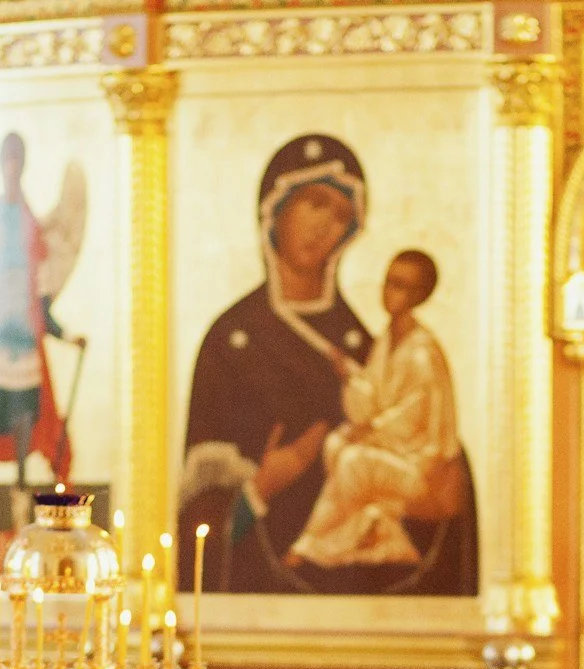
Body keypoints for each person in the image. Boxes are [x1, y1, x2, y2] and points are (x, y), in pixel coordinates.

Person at [177, 135, 477, 596]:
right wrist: (259, 488)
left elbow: (429, 459)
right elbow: (193, 512)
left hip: (366, 595)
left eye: (340, 215)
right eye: (314, 203)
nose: (324, 225)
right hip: (254, 606)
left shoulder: (367, 348)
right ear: (275, 208)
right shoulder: (230, 343)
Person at [289, 250, 460, 569]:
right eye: (388, 281)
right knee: (336, 443)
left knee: (354, 461)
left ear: (419, 295)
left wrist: (370, 431)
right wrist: (349, 375)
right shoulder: (387, 340)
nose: (389, 291)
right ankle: (376, 533)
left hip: (420, 465)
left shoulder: (422, 353)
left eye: (401, 285)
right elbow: (368, 403)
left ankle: (311, 545)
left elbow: (411, 418)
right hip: (391, 450)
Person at [0, 134, 84, 495]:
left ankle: (23, 514)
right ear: (0, 164)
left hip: (22, 349)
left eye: (18, 159)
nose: (12, 166)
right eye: (7, 159)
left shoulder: (32, 227)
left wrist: (68, 336)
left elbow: (41, 304)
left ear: (23, 165)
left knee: (25, 438)